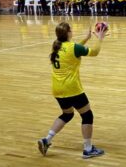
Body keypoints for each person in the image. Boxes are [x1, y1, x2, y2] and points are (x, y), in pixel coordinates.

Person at [37, 22, 106, 159]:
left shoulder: (56, 45)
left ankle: (47, 140)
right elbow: (95, 52)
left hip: (57, 89)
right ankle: (88, 149)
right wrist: (100, 37)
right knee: (87, 115)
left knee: (67, 114)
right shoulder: (73, 47)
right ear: (68, 33)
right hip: (72, 89)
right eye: (71, 30)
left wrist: (86, 38)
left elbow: (73, 50)